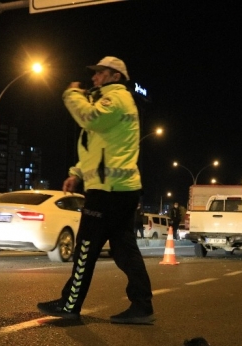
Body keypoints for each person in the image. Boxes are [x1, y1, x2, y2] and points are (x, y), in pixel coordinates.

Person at [37, 56, 155, 325]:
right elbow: (99, 149)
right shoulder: (111, 102)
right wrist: (76, 174)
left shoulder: (116, 100)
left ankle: (70, 304)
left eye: (100, 73)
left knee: (86, 248)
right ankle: (142, 305)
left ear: (115, 76)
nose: (94, 78)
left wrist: (71, 93)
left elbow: (88, 119)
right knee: (124, 250)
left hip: (109, 192)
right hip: (118, 190)